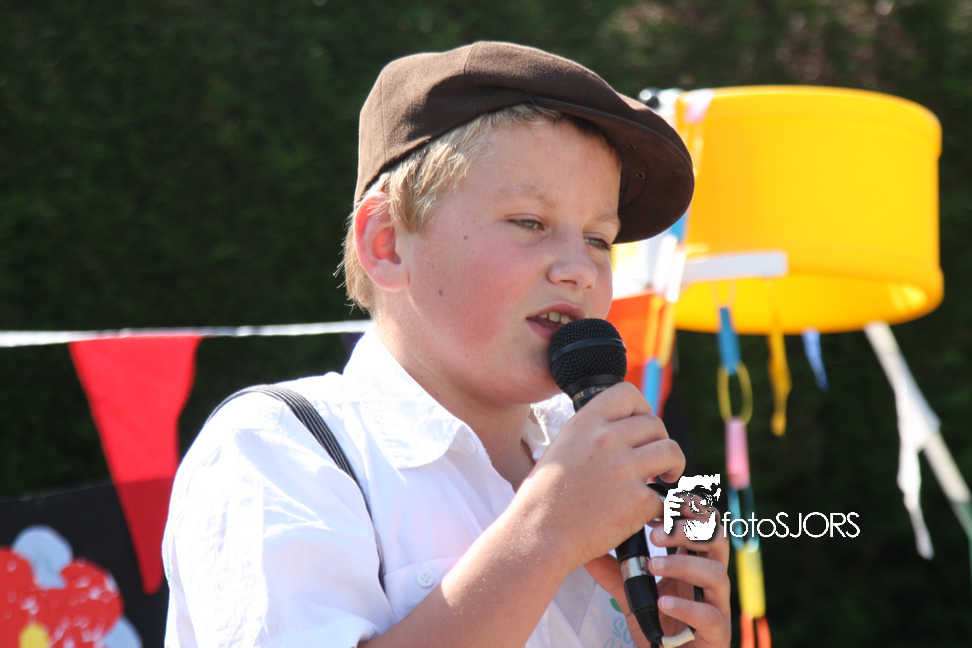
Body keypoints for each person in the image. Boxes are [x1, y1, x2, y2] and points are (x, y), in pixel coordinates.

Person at [162, 41, 731, 648]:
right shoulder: (277, 447)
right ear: (387, 242)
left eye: (599, 239)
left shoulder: (603, 468)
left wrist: (679, 639)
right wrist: (545, 535)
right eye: (530, 222)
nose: (580, 270)